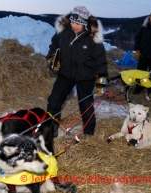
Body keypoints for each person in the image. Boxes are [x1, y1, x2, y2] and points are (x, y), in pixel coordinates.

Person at [45, 6, 108, 137]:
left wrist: (101, 83)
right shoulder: (62, 32)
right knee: (54, 101)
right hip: (66, 73)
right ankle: (51, 130)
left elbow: (101, 62)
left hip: (86, 76)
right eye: (73, 22)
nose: (74, 26)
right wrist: (52, 59)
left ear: (85, 24)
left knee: (86, 105)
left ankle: (89, 133)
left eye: (78, 24)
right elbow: (53, 46)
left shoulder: (93, 38)